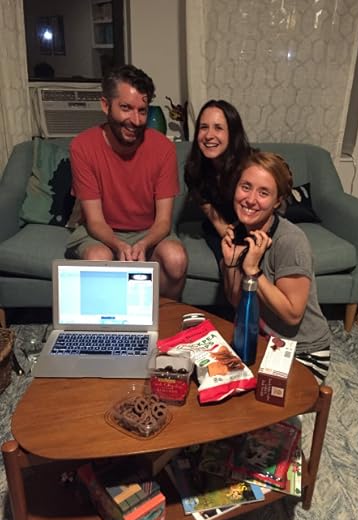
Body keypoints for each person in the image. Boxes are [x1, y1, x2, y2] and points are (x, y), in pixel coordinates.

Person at [65, 64, 188, 300]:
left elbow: (163, 221)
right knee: (98, 259)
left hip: (149, 231)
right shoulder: (82, 147)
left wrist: (143, 244)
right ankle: (111, 319)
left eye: (142, 111)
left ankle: (164, 316)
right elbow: (95, 221)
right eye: (126, 108)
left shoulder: (163, 148)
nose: (136, 120)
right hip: (101, 232)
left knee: (176, 259)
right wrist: (119, 245)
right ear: (105, 105)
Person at [221, 151, 331, 383]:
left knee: (251, 398)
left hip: (303, 352)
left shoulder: (290, 241)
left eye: (263, 193)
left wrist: (253, 270)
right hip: (264, 341)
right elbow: (236, 301)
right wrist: (231, 262)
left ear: (277, 201)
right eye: (246, 187)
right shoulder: (241, 231)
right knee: (214, 377)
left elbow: (292, 314)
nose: (250, 199)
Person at [184, 100, 252, 263]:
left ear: (232, 133)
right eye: (203, 127)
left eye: (218, 128)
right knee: (230, 264)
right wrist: (230, 240)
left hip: (254, 224)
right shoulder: (194, 169)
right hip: (221, 227)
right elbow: (216, 219)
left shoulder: (250, 167)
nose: (209, 135)